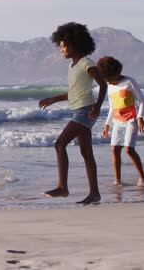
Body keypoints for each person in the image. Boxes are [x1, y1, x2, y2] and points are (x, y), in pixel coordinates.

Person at [38, 22, 107, 204]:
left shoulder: (86, 63)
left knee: (60, 144)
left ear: (75, 43)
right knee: (86, 152)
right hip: (78, 109)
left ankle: (63, 187)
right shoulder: (71, 67)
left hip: (86, 111)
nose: (61, 49)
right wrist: (53, 99)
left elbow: (103, 84)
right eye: (60, 46)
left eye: (64, 45)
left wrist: (98, 106)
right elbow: (74, 92)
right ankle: (94, 194)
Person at [97, 56, 144, 187]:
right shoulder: (109, 86)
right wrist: (107, 125)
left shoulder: (129, 82)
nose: (109, 82)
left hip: (131, 120)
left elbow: (142, 101)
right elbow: (112, 107)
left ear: (115, 73)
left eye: (109, 79)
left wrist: (140, 118)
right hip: (117, 121)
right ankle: (117, 181)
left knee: (128, 150)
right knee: (114, 149)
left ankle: (143, 178)